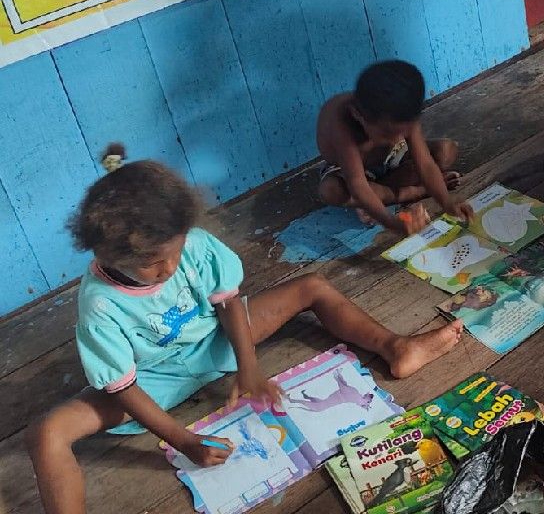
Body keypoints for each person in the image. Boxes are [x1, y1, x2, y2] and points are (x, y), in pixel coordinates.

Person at [26, 148, 465, 514]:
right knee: (47, 433)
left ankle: (396, 347)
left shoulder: (191, 243)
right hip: (150, 383)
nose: (170, 268)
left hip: (216, 343)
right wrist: (184, 441)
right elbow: (122, 386)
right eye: (152, 264)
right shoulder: (100, 304)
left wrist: (248, 368)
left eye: (174, 253)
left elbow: (229, 302)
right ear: (106, 254)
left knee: (311, 286)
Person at [316, 59, 472, 233]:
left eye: (403, 133)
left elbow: (426, 165)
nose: (396, 140)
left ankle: (374, 201)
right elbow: (358, 183)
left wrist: (448, 203)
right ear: (358, 115)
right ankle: (412, 193)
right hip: (350, 172)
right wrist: (393, 223)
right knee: (331, 191)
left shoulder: (402, 110)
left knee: (446, 151)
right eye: (386, 134)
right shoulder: (341, 122)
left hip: (390, 162)